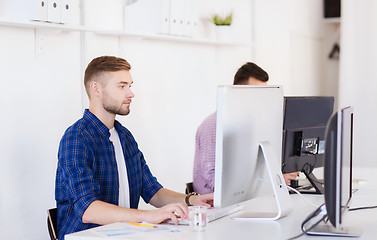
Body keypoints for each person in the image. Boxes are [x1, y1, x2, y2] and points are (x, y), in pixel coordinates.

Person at [55, 56, 213, 239]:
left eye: (130, 85)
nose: (130, 93)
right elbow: (88, 210)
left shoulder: (124, 137)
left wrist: (193, 200)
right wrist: (149, 216)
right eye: (122, 86)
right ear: (96, 89)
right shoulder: (76, 138)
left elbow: (152, 191)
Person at [193, 62, 299, 195]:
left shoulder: (252, 123)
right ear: (237, 90)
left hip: (245, 200)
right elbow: (213, 181)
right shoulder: (213, 124)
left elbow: (253, 169)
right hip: (214, 207)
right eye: (255, 91)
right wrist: (272, 182)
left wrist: (277, 175)